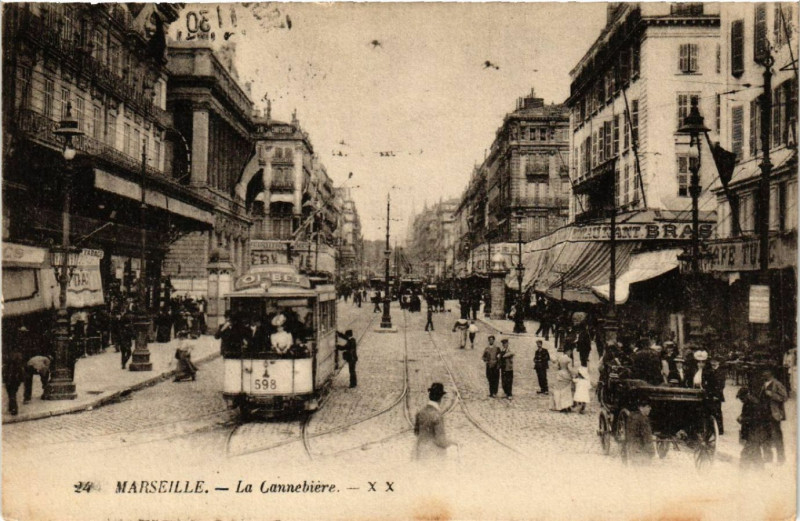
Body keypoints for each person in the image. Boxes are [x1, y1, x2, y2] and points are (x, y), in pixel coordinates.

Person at [413, 383, 457, 460]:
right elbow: (440, 441)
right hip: (433, 456)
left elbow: (416, 432)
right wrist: (453, 443)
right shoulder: (437, 415)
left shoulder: (420, 413)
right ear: (440, 398)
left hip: (420, 452)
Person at [759, 367, 788, 464]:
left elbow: (784, 397)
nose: (764, 374)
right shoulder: (762, 384)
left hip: (774, 414)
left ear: (771, 373)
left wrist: (772, 394)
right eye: (763, 372)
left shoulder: (777, 384)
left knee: (777, 437)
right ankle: (768, 458)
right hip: (764, 414)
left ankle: (781, 459)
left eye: (766, 371)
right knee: (764, 436)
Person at [736, 386, 766, 470]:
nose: (741, 401)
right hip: (752, 433)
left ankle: (742, 475)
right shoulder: (748, 402)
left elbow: (756, 419)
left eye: (741, 398)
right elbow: (745, 414)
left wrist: (743, 419)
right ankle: (761, 472)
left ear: (746, 396)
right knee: (756, 454)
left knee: (745, 454)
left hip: (755, 432)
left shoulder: (753, 403)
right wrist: (741, 417)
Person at [626, 398, 655, 465]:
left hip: (633, 448)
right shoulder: (644, 420)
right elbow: (647, 437)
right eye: (648, 407)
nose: (650, 409)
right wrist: (651, 451)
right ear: (641, 407)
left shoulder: (631, 416)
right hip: (642, 450)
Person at [550, 348, 574, 412]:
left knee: (559, 390)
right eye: (570, 351)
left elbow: (557, 366)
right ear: (568, 351)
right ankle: (566, 405)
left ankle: (559, 405)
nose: (571, 352)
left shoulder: (560, 358)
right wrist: (573, 375)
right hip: (566, 374)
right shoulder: (569, 359)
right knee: (566, 391)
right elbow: (569, 368)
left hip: (560, 374)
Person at [708, 358, 726, 435]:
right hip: (711, 394)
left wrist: (716, 395)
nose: (713, 363)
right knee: (711, 410)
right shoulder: (710, 371)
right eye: (712, 362)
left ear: (718, 363)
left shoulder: (721, 372)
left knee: (717, 411)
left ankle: (720, 429)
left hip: (717, 394)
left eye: (715, 362)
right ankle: (713, 429)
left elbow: (721, 385)